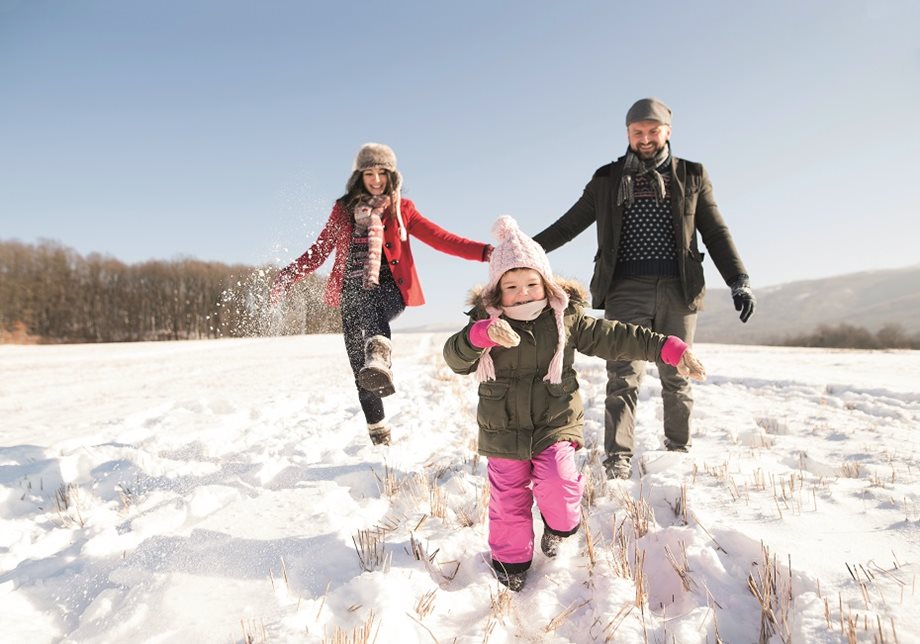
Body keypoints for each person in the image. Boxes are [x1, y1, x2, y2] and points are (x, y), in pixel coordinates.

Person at [443, 216, 705, 591]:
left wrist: (669, 347)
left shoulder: (565, 318)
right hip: (502, 429)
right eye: (512, 286)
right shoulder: (484, 323)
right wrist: (480, 336)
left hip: (555, 420)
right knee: (507, 501)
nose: (523, 293)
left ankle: (560, 527)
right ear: (496, 292)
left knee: (559, 482)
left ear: (545, 284)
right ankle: (510, 565)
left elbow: (616, 336)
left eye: (532, 283)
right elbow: (455, 358)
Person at [532, 97, 755, 480]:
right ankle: (618, 458)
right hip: (625, 289)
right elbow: (568, 226)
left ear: (668, 131)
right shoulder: (607, 179)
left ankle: (678, 449)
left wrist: (738, 279)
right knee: (623, 374)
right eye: (638, 132)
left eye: (653, 131)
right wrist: (523, 251)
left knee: (678, 372)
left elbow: (715, 231)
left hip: (678, 289)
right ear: (628, 134)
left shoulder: (692, 175)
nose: (646, 138)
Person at [271, 142, 492, 446]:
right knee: (362, 370)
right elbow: (321, 250)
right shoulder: (344, 210)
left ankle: (379, 354)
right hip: (349, 291)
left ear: (391, 176)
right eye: (369, 173)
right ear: (359, 176)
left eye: (382, 173)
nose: (376, 180)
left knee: (370, 307)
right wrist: (288, 275)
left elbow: (441, 238)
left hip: (389, 289)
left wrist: (485, 252)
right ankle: (379, 433)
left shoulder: (402, 209)